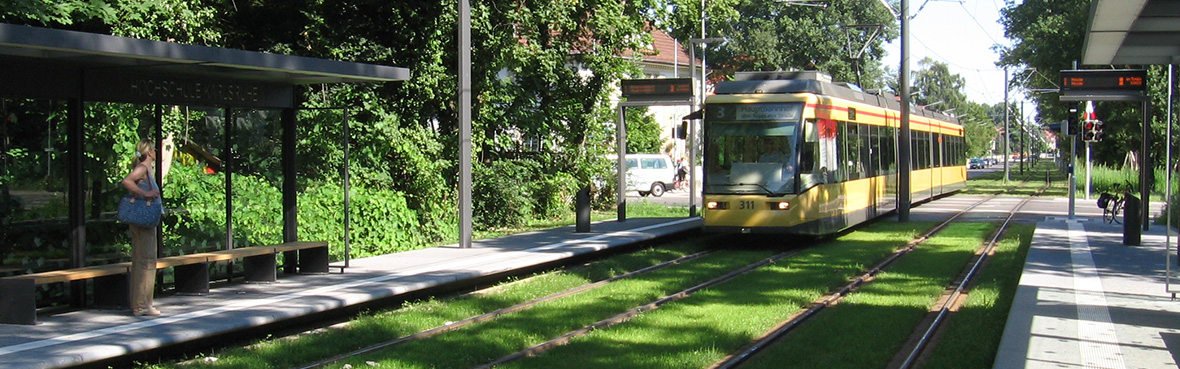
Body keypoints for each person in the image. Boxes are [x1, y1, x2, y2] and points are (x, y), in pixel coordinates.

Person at [120, 139, 161, 317]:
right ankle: (143, 305)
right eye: (155, 150)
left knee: (141, 261)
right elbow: (127, 181)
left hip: (142, 222)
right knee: (147, 261)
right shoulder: (143, 169)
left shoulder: (147, 169)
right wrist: (146, 194)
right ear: (150, 152)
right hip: (144, 223)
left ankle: (141, 303)